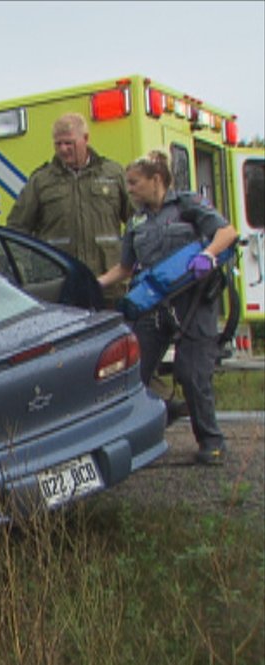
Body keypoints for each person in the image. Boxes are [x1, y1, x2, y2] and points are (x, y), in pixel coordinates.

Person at [97, 150, 239, 465]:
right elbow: (125, 267)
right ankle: (144, 433)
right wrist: (97, 283)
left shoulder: (188, 205)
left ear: (156, 180)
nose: (129, 189)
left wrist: (209, 255)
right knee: (132, 372)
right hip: (154, 306)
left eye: (134, 183)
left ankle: (211, 442)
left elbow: (226, 233)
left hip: (194, 303)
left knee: (191, 374)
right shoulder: (136, 221)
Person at [7, 113, 133, 293]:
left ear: (86, 139)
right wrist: (31, 270)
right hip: (61, 287)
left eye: (69, 143)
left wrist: (128, 262)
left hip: (109, 287)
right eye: (58, 144)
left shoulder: (113, 174)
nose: (63, 149)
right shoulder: (41, 181)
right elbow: (16, 228)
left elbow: (137, 221)